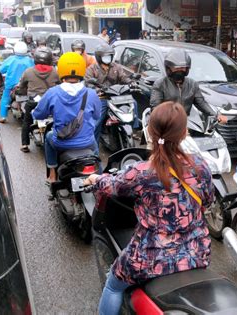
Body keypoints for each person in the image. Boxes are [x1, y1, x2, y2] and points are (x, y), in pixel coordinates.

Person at [84, 101, 214, 315]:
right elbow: (207, 201)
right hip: (196, 252)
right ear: (184, 133)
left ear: (150, 132)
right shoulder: (200, 166)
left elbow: (113, 187)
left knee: (113, 285)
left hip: (149, 257)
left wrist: (94, 178)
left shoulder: (142, 172)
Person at [32, 52, 101, 184]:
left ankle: (52, 175)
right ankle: (100, 178)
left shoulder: (53, 93)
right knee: (95, 150)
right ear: (82, 69)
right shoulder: (91, 94)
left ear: (61, 70)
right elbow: (97, 115)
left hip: (61, 142)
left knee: (48, 137)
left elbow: (39, 114)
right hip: (87, 142)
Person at [84, 42, 138, 154]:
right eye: (105, 56)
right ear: (99, 57)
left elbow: (124, 78)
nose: (108, 58)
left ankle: (134, 127)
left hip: (118, 96)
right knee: (97, 122)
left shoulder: (116, 67)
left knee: (134, 103)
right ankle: (94, 150)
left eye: (109, 56)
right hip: (102, 98)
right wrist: (96, 90)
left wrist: (131, 83)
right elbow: (88, 83)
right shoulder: (92, 69)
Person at [150, 49, 228, 124]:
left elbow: (201, 103)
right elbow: (155, 107)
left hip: (186, 123)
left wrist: (216, 115)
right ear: (169, 68)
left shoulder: (192, 84)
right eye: (176, 68)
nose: (180, 70)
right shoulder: (161, 84)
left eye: (182, 68)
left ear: (187, 69)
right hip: (165, 123)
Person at [17, 47, 60, 153]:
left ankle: (25, 144)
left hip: (33, 103)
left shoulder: (28, 72)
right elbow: (60, 85)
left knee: (27, 121)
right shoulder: (55, 72)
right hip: (51, 102)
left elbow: (22, 85)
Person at [0, 41, 34, 123]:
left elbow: (1, 69)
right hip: (26, 85)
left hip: (11, 85)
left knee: (5, 97)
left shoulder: (11, 59)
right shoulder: (29, 60)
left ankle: (3, 116)